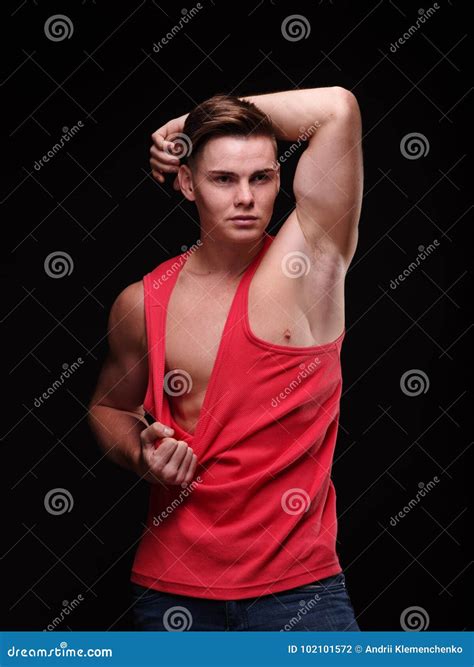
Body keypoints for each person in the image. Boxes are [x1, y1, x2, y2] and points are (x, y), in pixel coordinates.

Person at [88, 87, 363, 631]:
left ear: (279, 181)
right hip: (173, 593)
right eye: (223, 179)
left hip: (300, 592)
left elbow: (337, 108)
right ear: (187, 183)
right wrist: (142, 458)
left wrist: (183, 121)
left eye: (261, 177)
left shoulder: (311, 265)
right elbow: (108, 408)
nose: (246, 197)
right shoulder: (142, 302)